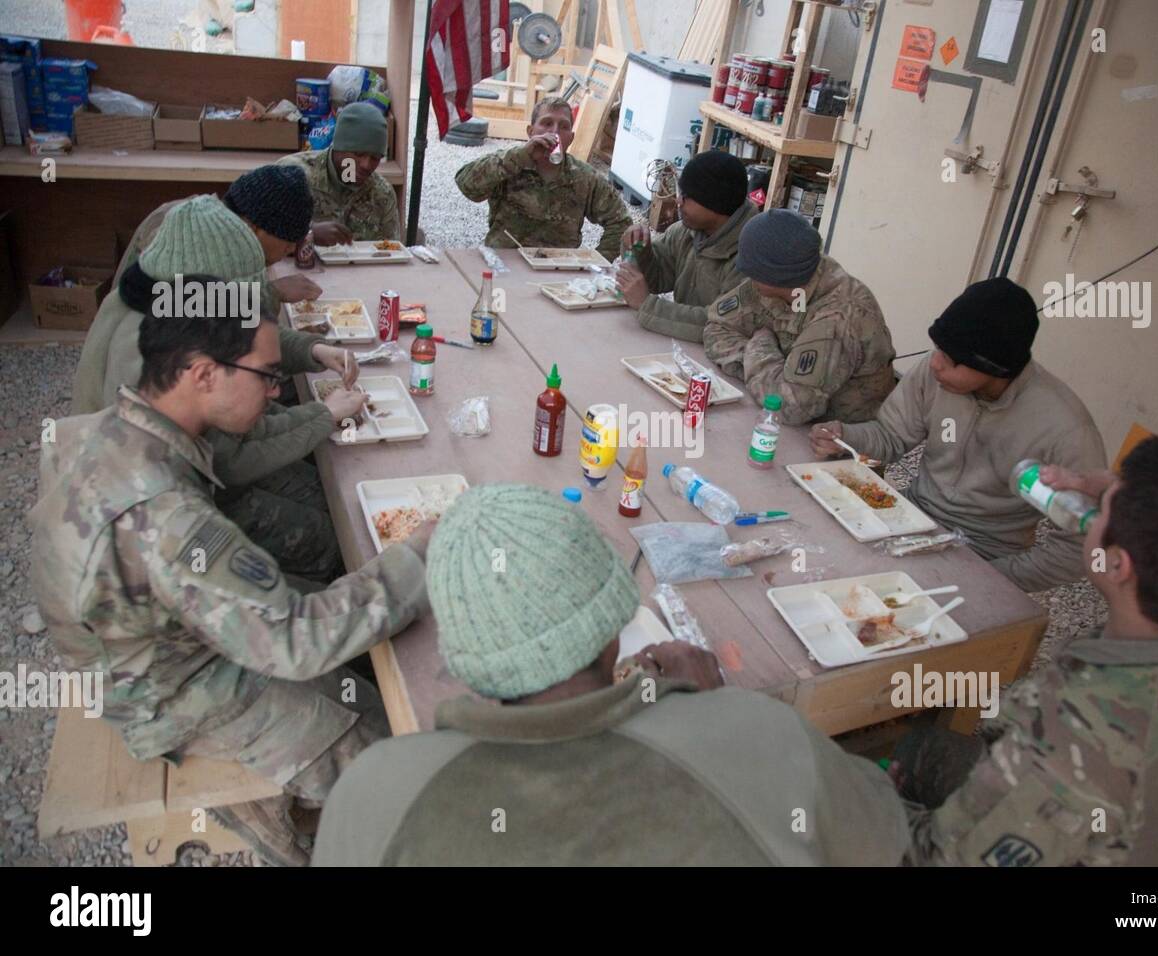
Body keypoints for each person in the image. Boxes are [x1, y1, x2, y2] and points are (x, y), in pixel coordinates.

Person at [29, 296, 438, 865]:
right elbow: (297, 640)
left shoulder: (120, 425)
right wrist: (422, 554)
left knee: (345, 618)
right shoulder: (168, 520)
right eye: (267, 376)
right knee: (390, 744)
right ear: (201, 375)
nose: (275, 390)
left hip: (132, 638)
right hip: (164, 689)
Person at [313, 484, 909, 866]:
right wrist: (714, 719)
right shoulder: (767, 736)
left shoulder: (376, 794)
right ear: (613, 623)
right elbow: (879, 839)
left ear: (467, 648)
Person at [895, 435, 1158, 866]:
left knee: (829, 782)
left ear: (1118, 565)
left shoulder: (1072, 744)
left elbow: (934, 860)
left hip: (1071, 830)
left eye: (1102, 511)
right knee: (923, 750)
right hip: (1150, 836)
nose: (1089, 513)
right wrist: (1106, 490)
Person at [72, 196, 366, 581]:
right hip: (163, 514)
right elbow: (228, 461)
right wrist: (323, 416)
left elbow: (248, 333)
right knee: (330, 539)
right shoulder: (149, 358)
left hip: (191, 473)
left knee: (323, 491)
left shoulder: (166, 294)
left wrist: (314, 349)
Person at [810, 277, 1107, 592]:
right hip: (910, 514)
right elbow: (891, 436)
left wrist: (996, 579)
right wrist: (844, 436)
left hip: (986, 551)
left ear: (995, 369)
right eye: (938, 347)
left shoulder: (1065, 428)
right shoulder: (936, 371)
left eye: (951, 359)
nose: (936, 363)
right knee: (825, 567)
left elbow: (1080, 547)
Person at [703, 209, 896, 424]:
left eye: (753, 269)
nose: (747, 275)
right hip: (797, 423)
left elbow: (788, 407)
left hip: (839, 441)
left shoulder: (838, 317)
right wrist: (761, 370)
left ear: (775, 275)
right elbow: (716, 326)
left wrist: (760, 345)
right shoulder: (781, 279)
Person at [111, 162, 323, 305]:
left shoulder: (222, 227)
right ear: (254, 228)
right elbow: (174, 306)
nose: (292, 249)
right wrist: (271, 293)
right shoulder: (185, 232)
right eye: (288, 242)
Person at [454, 97, 631, 262]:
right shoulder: (510, 163)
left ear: (570, 137)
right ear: (530, 131)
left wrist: (595, 263)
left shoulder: (584, 177)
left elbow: (621, 222)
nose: (554, 132)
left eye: (563, 126)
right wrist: (521, 156)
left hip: (557, 268)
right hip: (506, 262)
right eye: (546, 123)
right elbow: (466, 184)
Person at [615, 150, 759, 342]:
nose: (678, 202)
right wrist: (640, 250)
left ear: (714, 204)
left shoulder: (751, 256)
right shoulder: (686, 231)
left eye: (686, 196)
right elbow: (657, 278)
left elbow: (722, 324)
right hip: (684, 346)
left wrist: (647, 305)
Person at [278, 102, 400, 244]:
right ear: (338, 147)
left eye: (375, 158)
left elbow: (393, 252)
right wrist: (309, 234)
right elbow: (258, 239)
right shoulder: (292, 175)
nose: (366, 165)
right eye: (358, 154)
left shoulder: (381, 194)